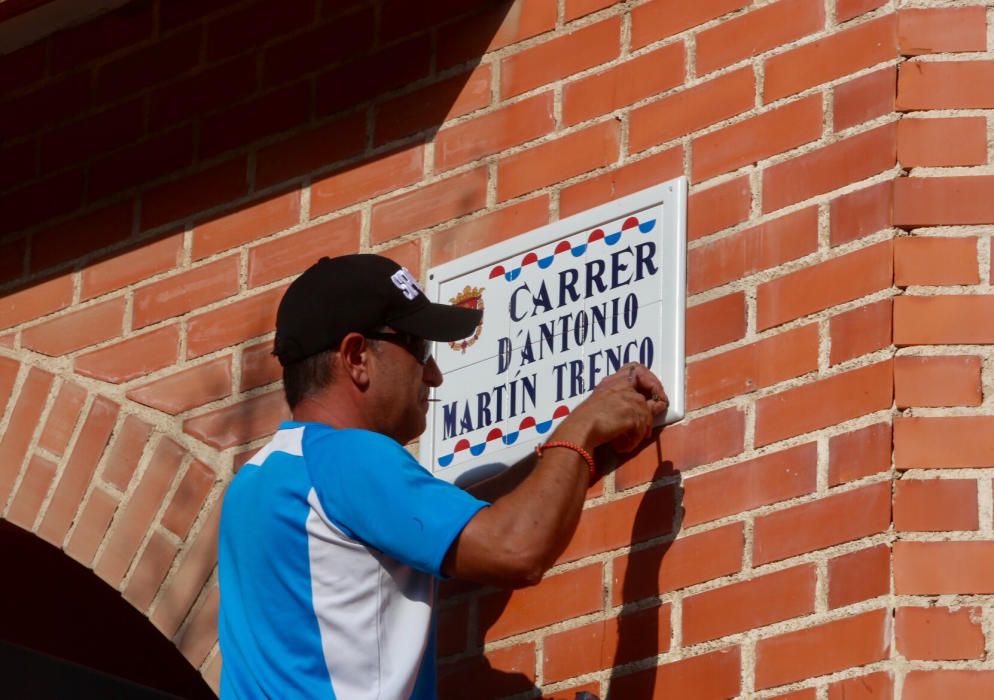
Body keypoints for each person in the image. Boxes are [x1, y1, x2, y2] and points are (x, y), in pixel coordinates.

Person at [217, 254, 668, 699]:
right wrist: (582, 431)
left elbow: (453, 518)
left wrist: (564, 449)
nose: (433, 375)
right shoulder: (347, 456)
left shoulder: (258, 482)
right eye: (420, 348)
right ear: (357, 357)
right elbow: (516, 547)